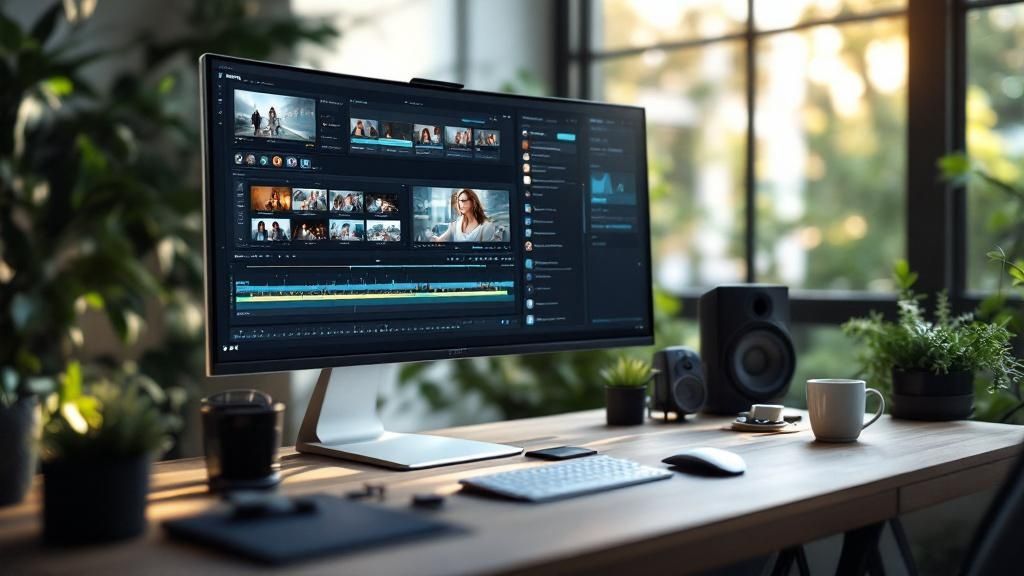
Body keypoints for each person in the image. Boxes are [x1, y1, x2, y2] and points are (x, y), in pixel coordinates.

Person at [432, 189, 499, 243]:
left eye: (463, 201)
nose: (459, 204)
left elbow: (486, 252)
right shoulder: (455, 224)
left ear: (473, 202)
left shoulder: (486, 226)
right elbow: (439, 241)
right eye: (458, 201)